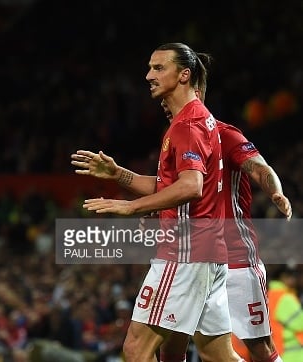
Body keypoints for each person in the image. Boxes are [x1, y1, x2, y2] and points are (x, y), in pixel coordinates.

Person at [76, 82, 293, 361]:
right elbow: (168, 188)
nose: (163, 102)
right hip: (201, 255)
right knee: (188, 350)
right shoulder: (181, 135)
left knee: (257, 349)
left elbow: (259, 168)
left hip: (235, 258)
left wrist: (275, 190)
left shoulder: (223, 134)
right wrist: (122, 177)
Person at [73, 42, 243, 361]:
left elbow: (191, 187)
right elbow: (171, 185)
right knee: (216, 355)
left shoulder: (188, 125)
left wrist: (131, 206)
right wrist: (119, 175)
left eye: (158, 68)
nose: (149, 75)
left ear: (184, 75)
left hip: (185, 253)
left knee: (136, 350)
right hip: (209, 253)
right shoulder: (197, 120)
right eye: (150, 68)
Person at [267, 265, 303, 361]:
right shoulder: (285, 298)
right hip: (293, 355)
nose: (294, 280)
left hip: (277, 351)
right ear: (283, 277)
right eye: (291, 277)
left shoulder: (269, 295)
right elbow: (300, 323)